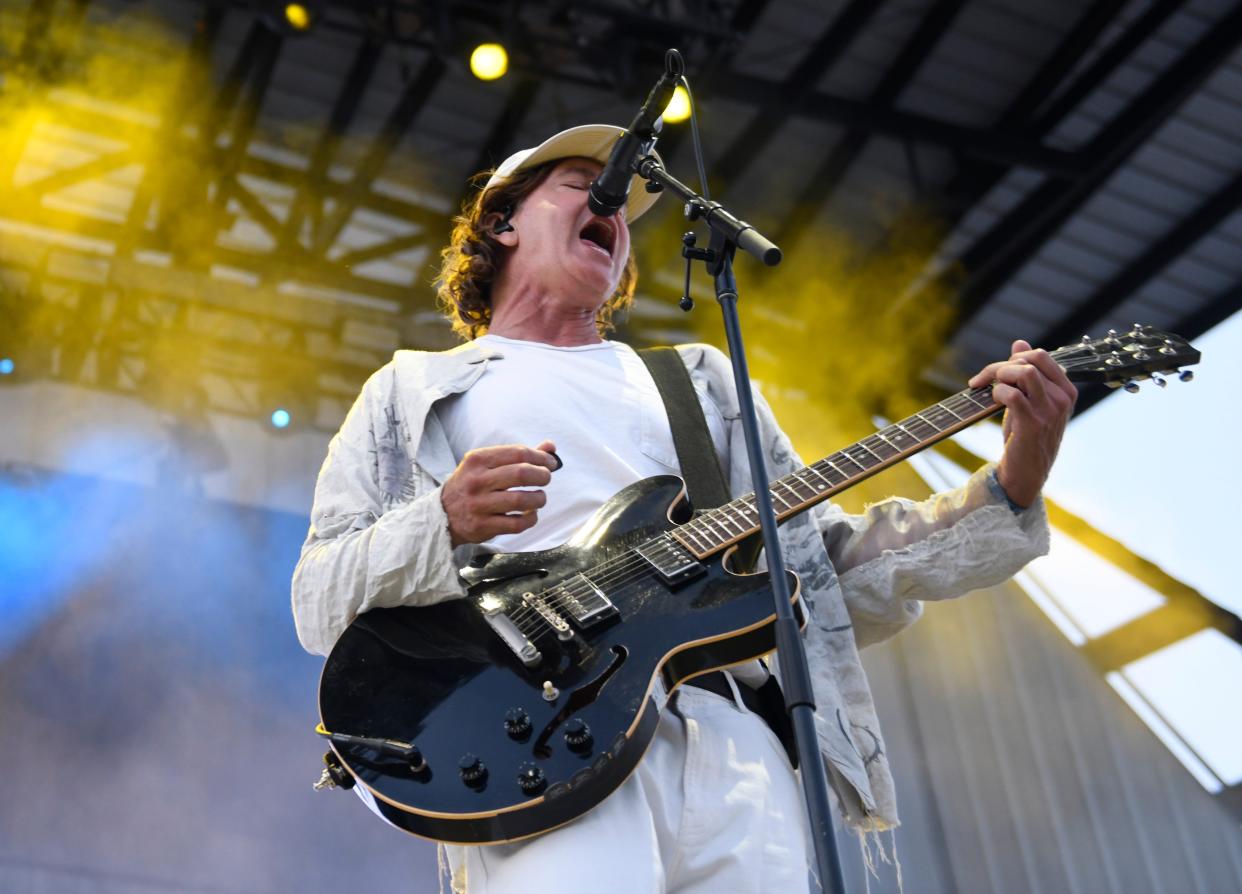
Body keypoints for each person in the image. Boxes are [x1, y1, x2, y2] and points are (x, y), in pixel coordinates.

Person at [291, 124, 1077, 894]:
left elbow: (821, 572)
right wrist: (442, 522)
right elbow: (318, 600)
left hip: (737, 746)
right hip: (545, 743)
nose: (614, 210)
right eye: (580, 185)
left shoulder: (700, 385)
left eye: (626, 213)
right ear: (501, 222)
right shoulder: (414, 389)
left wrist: (1011, 483)